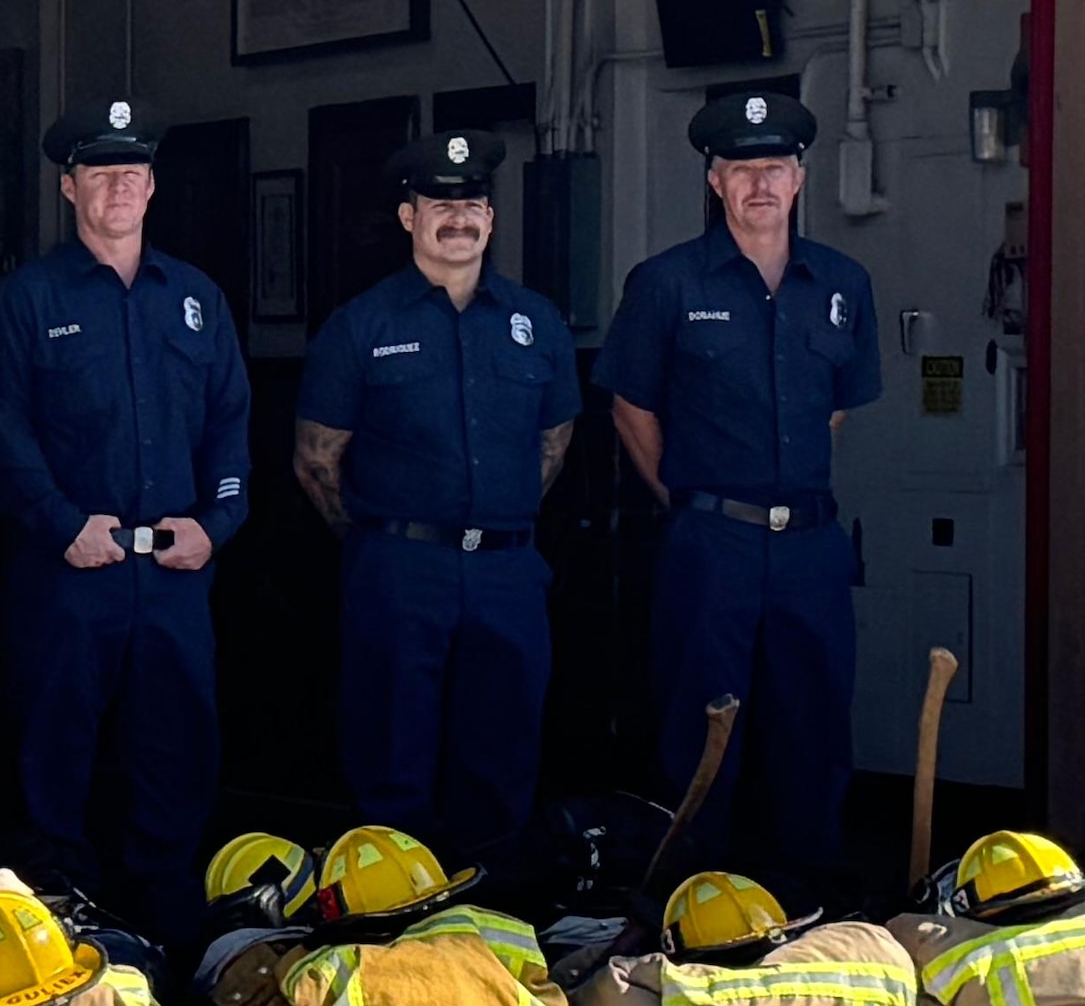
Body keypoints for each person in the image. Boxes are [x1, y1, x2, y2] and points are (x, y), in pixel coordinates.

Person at [0, 97, 250, 951]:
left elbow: (231, 421)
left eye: (132, 172)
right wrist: (59, 524)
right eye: (100, 171)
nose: (119, 186)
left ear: (153, 186)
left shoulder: (195, 299)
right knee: (56, 761)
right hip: (68, 575)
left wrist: (219, 520)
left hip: (171, 576)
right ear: (69, 187)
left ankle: (169, 949)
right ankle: (63, 944)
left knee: (175, 758)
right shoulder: (27, 300)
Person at [601, 81, 884, 896]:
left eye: (778, 167)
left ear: (800, 179)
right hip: (710, 540)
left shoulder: (842, 284)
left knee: (814, 723)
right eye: (741, 167)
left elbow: (835, 409)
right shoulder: (667, 283)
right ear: (714, 181)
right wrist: (692, 500)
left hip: (812, 546)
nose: (761, 183)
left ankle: (810, 905)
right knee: (702, 726)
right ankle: (695, 903)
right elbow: (631, 406)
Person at [294, 125, 579, 864]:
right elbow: (317, 460)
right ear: (408, 217)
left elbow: (554, 444)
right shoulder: (361, 326)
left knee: (502, 759)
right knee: (393, 760)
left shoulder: (536, 324)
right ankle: (390, 927)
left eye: (474, 203)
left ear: (490, 215)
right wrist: (383, 539)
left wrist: (490, 525)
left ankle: (492, 929)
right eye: (439, 203)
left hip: (506, 573)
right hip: (398, 567)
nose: (459, 217)